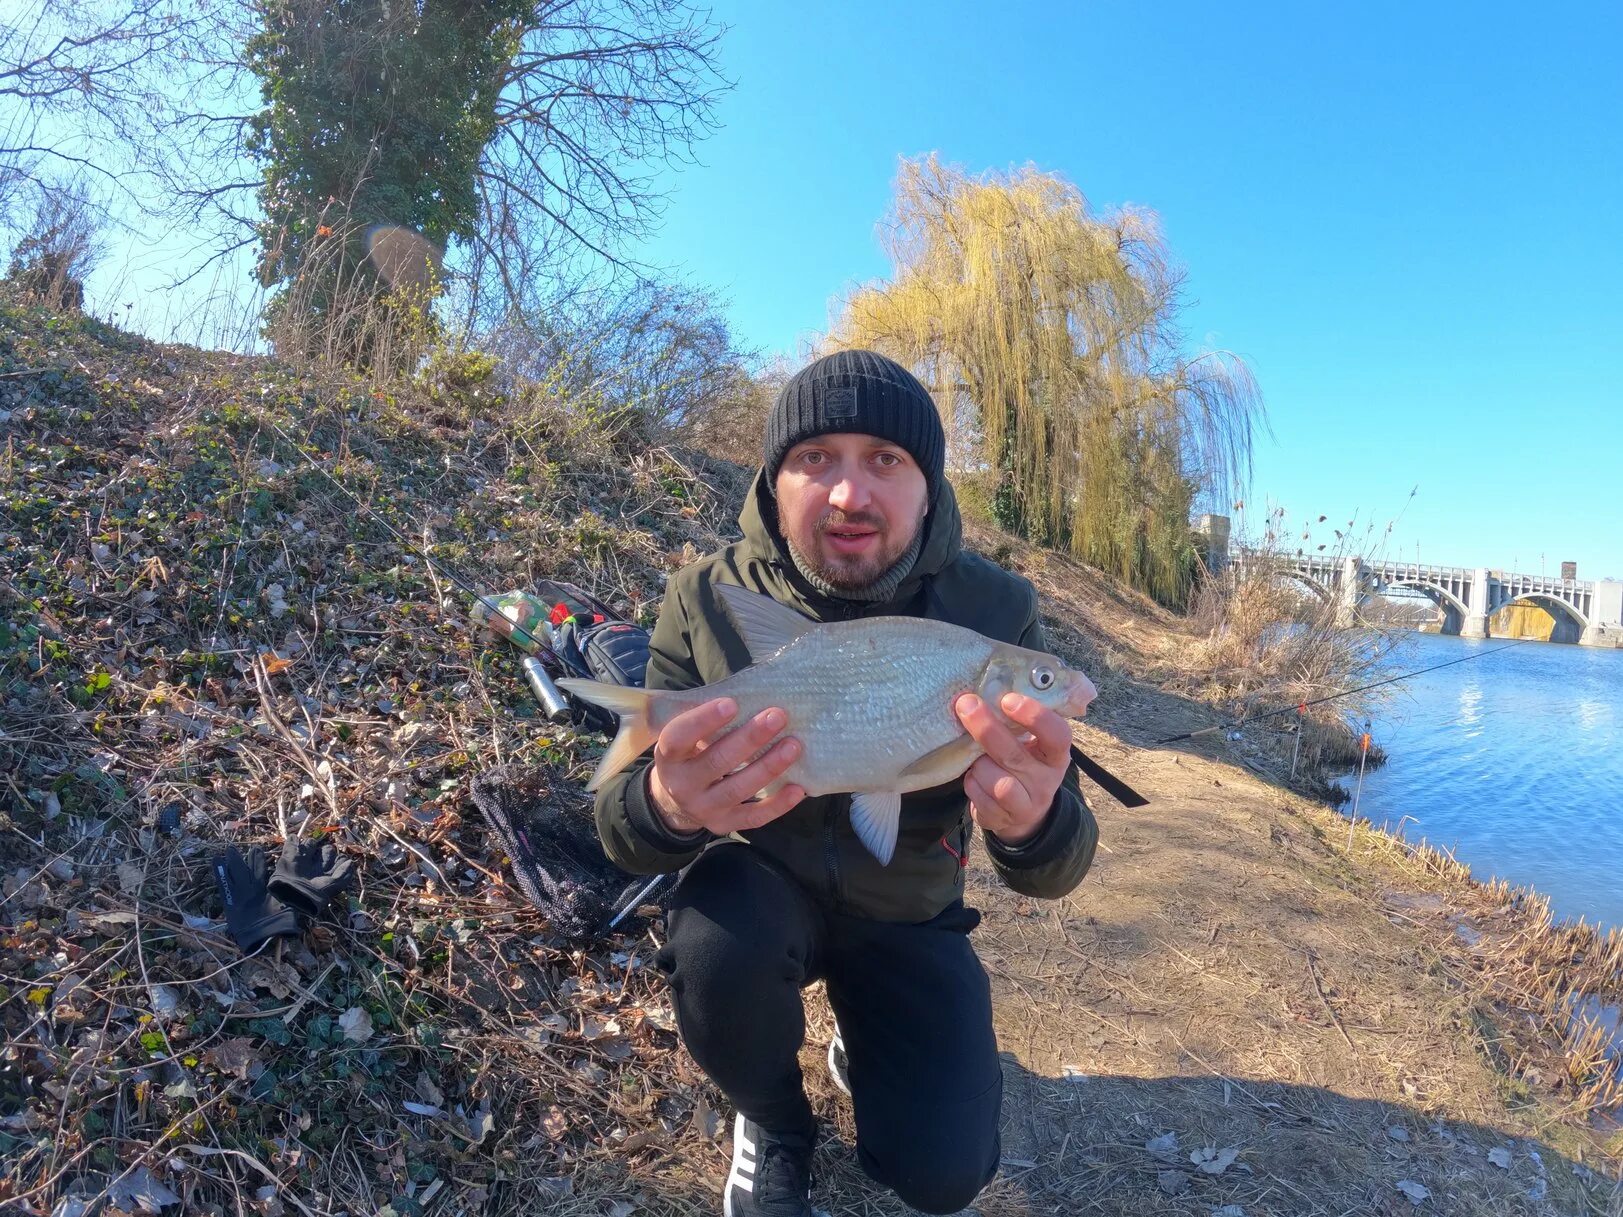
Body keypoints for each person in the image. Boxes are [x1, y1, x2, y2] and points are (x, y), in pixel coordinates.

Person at [594, 349, 1098, 1216]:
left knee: (943, 1178)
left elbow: (1057, 866)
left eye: (886, 460)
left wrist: (1033, 825)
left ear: (928, 485)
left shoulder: (992, 613)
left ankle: (868, 1048)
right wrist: (667, 804)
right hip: (760, 895)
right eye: (814, 457)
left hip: (908, 911)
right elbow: (618, 827)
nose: (849, 494)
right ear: (774, 477)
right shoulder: (704, 596)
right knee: (714, 938)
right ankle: (773, 1118)